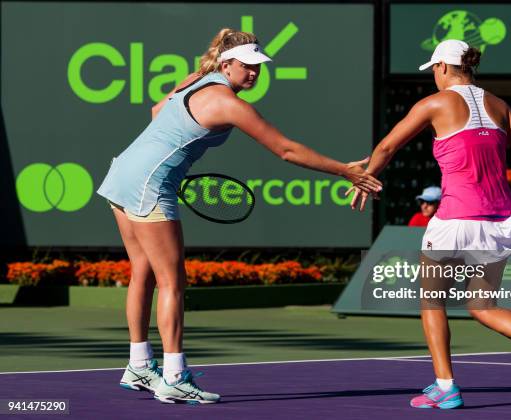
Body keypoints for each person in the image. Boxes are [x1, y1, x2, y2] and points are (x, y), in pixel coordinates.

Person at [96, 28, 382, 405]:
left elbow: (156, 112)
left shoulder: (196, 79)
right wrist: (344, 170)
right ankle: (174, 375)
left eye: (258, 68)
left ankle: (137, 365)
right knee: (172, 282)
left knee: (143, 273)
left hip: (122, 174)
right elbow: (285, 149)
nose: (253, 74)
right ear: (227, 64)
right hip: (150, 184)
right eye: (246, 67)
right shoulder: (228, 103)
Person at [348, 39, 511, 409]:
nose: (433, 75)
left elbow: (387, 148)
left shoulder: (434, 103)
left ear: (444, 68)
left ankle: (445, 386)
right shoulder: (498, 105)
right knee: (482, 305)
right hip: (498, 224)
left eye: (434, 69)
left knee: (431, 301)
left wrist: (365, 178)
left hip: (453, 222)